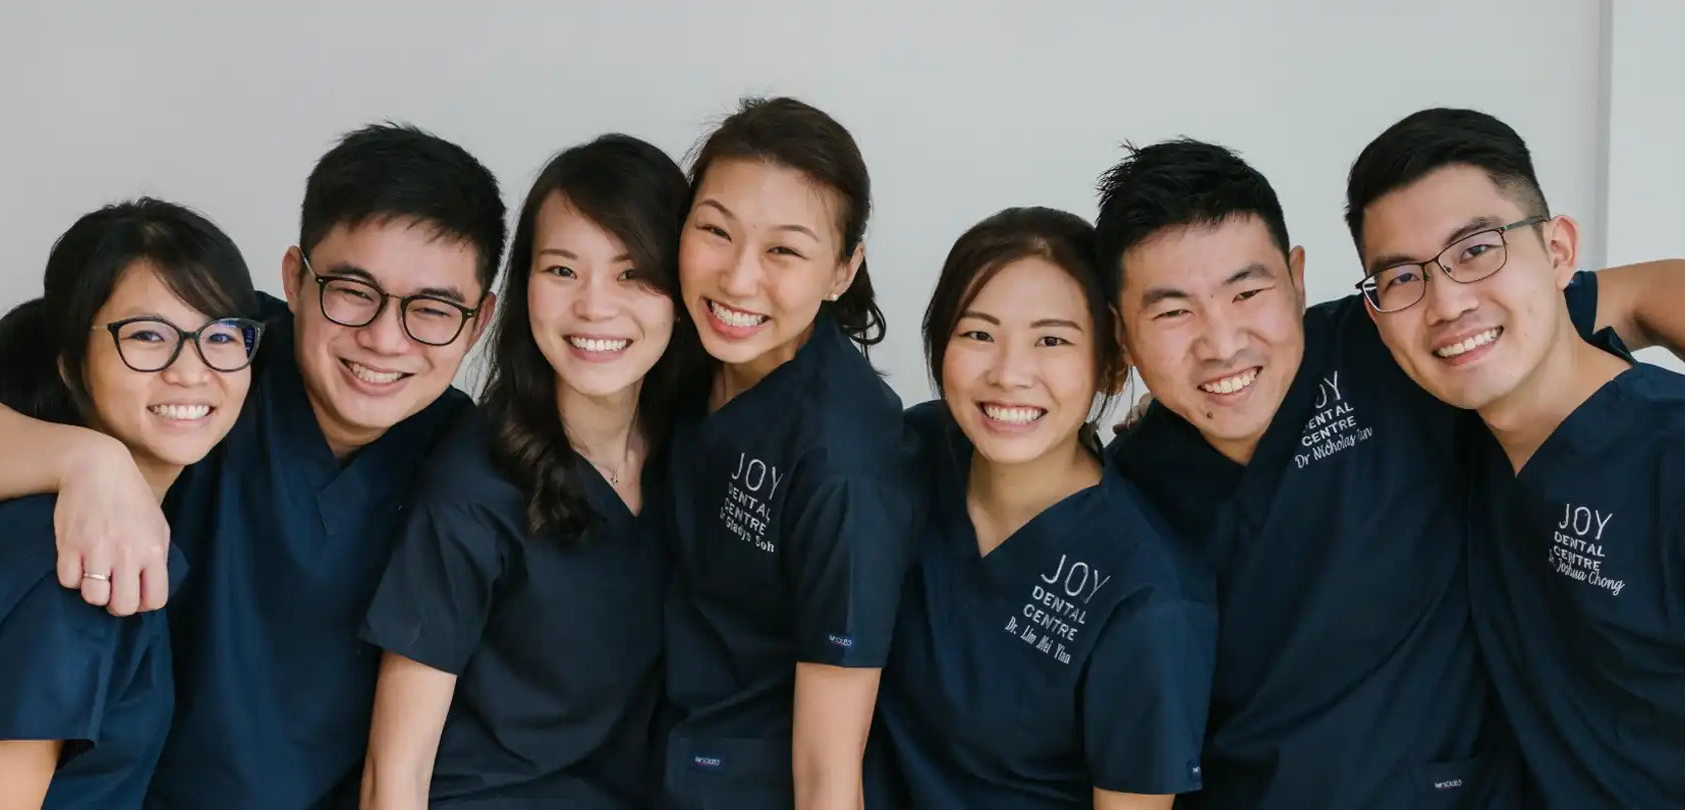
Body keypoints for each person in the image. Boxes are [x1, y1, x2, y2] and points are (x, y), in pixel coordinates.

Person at [1097, 139, 1685, 809]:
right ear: (1122, 331)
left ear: (1296, 279)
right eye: (1171, 314)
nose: (1222, 343)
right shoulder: (1128, 486)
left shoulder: (1399, 343)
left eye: (1246, 291)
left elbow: (1663, 289)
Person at [0, 123, 508, 810]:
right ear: (294, 280)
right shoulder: (210, 362)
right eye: (353, 292)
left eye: (434, 309)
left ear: (478, 322)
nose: (385, 339)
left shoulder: (467, 463)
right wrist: (89, 461)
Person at [1346, 107, 1685, 808]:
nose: (1447, 302)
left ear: (1556, 253)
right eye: (1401, 278)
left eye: (1476, 249)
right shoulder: (1457, 410)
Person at [0, 198, 262, 809]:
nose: (191, 371)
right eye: (148, 336)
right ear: (71, 365)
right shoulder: (78, 564)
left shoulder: (34, 518)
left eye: (220, 336)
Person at [357, 133, 693, 809]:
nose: (594, 307)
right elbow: (395, 772)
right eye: (561, 270)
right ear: (523, 287)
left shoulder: (692, 457)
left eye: (631, 273)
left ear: (682, 288)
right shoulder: (476, 482)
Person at [864, 206, 1215, 810]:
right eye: (978, 334)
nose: (1009, 374)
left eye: (1051, 340)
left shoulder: (1149, 593)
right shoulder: (912, 452)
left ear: (1110, 362)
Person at [657, 96, 921, 810]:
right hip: (645, 752)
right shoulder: (666, 348)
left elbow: (829, 768)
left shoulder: (845, 461)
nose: (738, 279)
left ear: (842, 269)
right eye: (715, 231)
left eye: (784, 250)